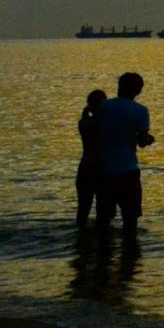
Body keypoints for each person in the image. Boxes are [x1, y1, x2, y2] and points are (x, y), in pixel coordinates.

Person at [96, 71, 154, 237]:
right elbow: (142, 141)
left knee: (103, 219)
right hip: (128, 170)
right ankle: (130, 257)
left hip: (104, 171)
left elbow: (96, 131)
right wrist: (149, 138)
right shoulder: (140, 111)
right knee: (130, 219)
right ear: (137, 91)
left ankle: (102, 256)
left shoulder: (104, 106)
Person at [75, 89, 107, 227]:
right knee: (103, 211)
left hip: (86, 167)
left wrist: (87, 110)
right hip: (102, 170)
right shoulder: (105, 125)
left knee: (83, 209)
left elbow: (86, 119)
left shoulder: (84, 123)